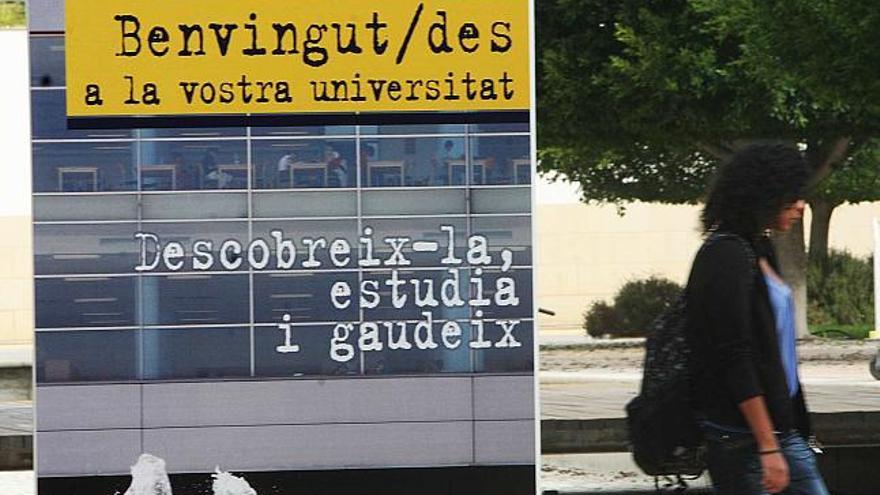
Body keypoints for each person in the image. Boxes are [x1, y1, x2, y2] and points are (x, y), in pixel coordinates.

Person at [685, 144, 829, 494]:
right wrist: (767, 446)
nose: (800, 205)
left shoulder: (758, 248)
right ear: (761, 194)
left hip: (779, 431)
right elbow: (735, 355)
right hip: (744, 438)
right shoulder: (726, 255)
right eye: (791, 196)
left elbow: (773, 354)